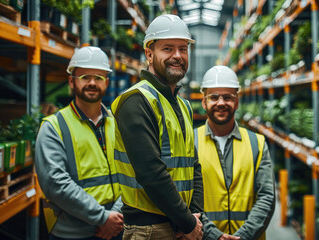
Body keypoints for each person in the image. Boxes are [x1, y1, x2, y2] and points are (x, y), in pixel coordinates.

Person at [111, 14, 203, 240]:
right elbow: (151, 173)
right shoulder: (136, 101)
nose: (177, 56)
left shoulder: (182, 105)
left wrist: (194, 215)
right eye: (168, 49)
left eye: (183, 49)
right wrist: (188, 222)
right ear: (149, 55)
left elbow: (193, 165)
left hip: (180, 225)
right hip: (149, 229)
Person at [35, 46, 123, 240]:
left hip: (116, 227)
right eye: (84, 77)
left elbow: (132, 171)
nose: (92, 83)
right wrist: (102, 218)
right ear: (71, 82)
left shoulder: (117, 123)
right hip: (72, 233)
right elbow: (55, 183)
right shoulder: (53, 126)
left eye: (98, 78)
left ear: (106, 83)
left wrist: (116, 215)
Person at [194, 66, 275, 240]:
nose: (221, 103)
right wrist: (215, 236)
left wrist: (243, 236)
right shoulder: (190, 142)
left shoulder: (257, 143)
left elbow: (267, 197)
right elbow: (186, 198)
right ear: (204, 102)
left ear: (236, 102)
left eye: (227, 97)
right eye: (214, 97)